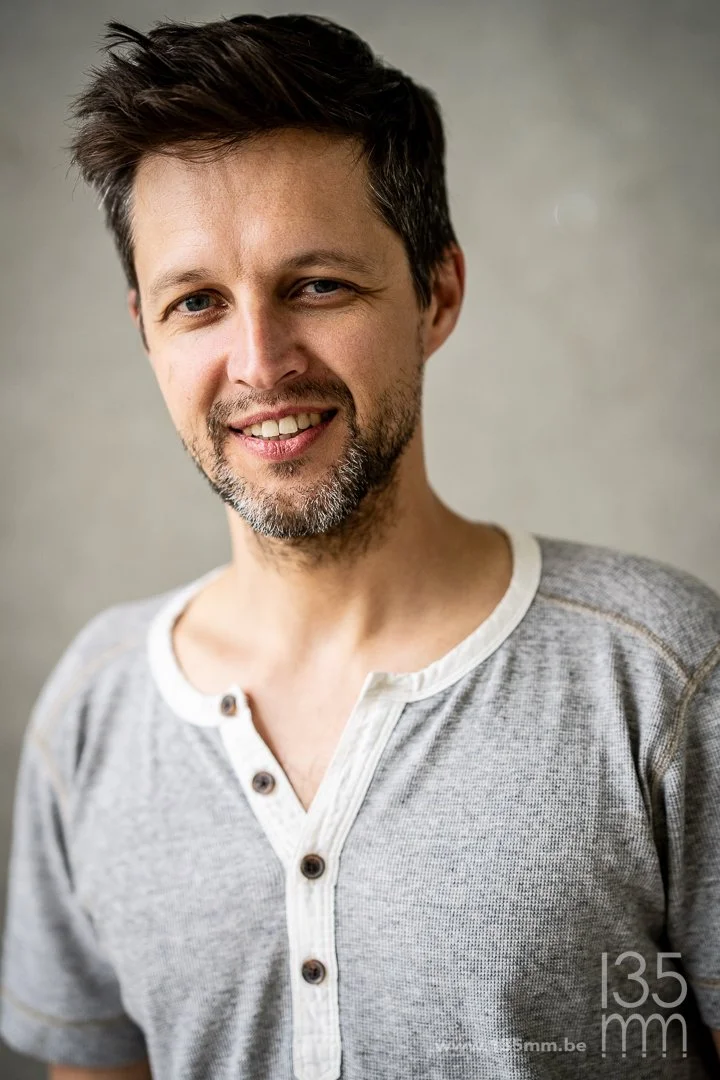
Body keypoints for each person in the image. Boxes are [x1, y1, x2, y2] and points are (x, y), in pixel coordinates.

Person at [1, 13, 719, 1080]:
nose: (260, 363)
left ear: (437, 294)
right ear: (147, 330)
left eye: (318, 285)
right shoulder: (91, 715)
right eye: (198, 302)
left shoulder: (661, 680)